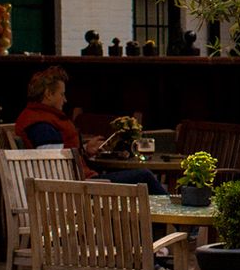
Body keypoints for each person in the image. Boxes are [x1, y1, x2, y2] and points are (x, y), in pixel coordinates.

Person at [13, 67, 164, 194]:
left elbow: (60, 154)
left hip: (81, 182)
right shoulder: (41, 125)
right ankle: (180, 223)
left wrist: (84, 150)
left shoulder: (38, 117)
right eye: (62, 94)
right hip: (79, 188)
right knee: (145, 176)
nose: (65, 100)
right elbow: (54, 168)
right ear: (48, 94)